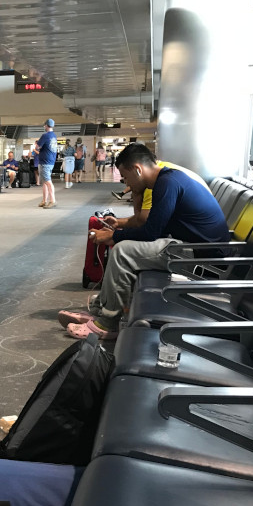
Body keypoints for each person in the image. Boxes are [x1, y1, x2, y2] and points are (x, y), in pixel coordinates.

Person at [59, 144, 230, 341]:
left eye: (126, 177)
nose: (126, 183)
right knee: (126, 246)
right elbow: (152, 226)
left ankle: (108, 323)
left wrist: (114, 237)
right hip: (191, 248)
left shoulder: (167, 184)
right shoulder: (168, 179)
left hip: (201, 258)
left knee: (123, 252)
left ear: (137, 170)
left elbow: (151, 232)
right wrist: (121, 229)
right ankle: (100, 311)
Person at [35, 119, 58, 208]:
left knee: (48, 181)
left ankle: (52, 200)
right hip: (50, 161)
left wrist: (38, 147)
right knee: (45, 181)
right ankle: (44, 200)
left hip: (45, 161)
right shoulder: (54, 136)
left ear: (46, 125)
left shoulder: (45, 135)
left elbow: (37, 147)